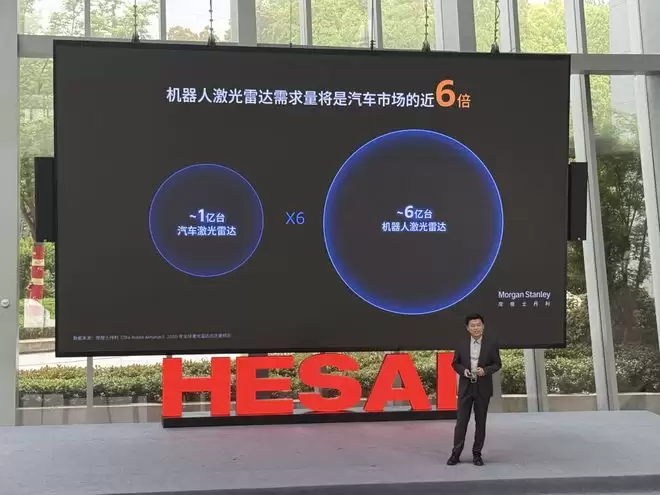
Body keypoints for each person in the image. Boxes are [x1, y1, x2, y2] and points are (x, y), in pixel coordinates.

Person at [447, 313, 501, 466]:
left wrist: (485, 370)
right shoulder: (461, 343)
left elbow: (497, 364)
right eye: (473, 325)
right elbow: (455, 363)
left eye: (478, 325)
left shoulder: (491, 343)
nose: (476, 328)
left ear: (483, 326)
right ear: (467, 328)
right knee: (461, 422)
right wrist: (463, 371)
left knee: (480, 422)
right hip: (466, 387)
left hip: (482, 388)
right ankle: (455, 453)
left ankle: (477, 454)